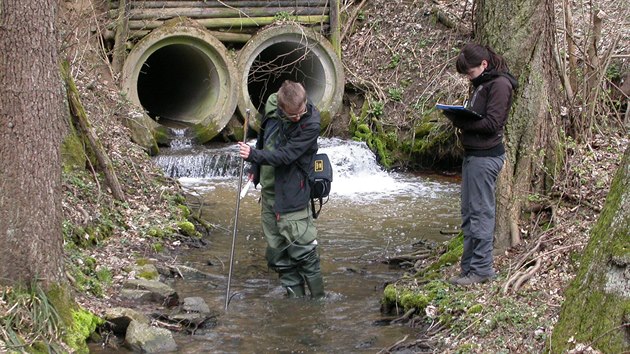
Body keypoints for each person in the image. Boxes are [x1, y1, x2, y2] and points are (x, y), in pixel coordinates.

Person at [238, 80, 325, 299]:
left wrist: (253, 155)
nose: (297, 117)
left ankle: (318, 302)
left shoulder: (311, 123)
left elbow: (286, 156)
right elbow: (265, 137)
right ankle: (295, 300)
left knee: (303, 252)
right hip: (269, 193)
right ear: (280, 106)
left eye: (300, 112)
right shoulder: (272, 105)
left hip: (294, 192)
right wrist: (255, 168)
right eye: (291, 115)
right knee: (277, 254)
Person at [444, 43, 518, 286]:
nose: (468, 77)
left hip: (486, 158)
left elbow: (492, 124)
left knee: (481, 213)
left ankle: (482, 269)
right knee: (468, 213)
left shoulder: (500, 85)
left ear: (484, 65)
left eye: (470, 72)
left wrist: (461, 122)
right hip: (473, 156)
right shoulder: (483, 84)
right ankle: (468, 268)